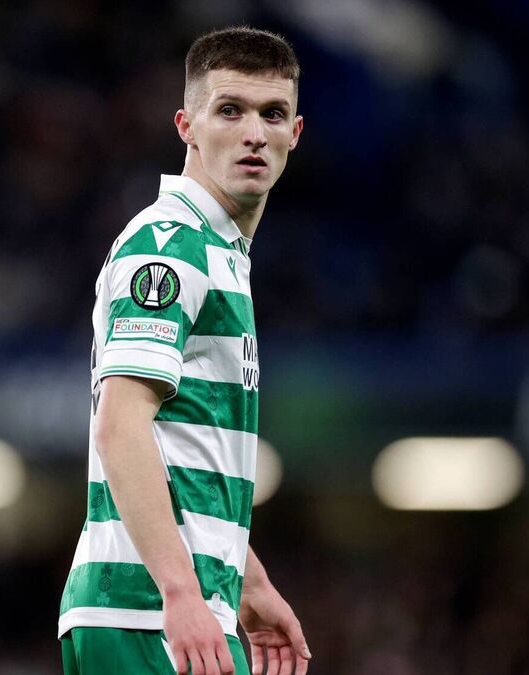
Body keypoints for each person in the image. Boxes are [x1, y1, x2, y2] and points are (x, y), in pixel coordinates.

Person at [58, 26, 309, 675]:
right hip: (147, 611)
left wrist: (248, 580)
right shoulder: (171, 248)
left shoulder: (220, 253)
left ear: (294, 134)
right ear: (187, 126)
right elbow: (120, 427)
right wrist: (179, 591)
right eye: (230, 110)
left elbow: (186, 457)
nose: (254, 133)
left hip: (172, 606)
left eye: (271, 114)